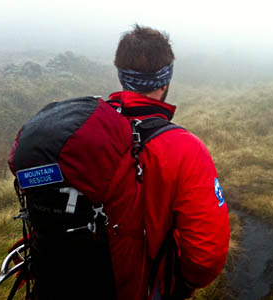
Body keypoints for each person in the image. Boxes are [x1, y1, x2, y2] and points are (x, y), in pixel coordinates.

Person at [108, 25, 230, 299]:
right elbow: (207, 254)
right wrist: (183, 286)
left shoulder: (89, 132)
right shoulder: (185, 148)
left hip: (72, 281)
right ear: (165, 82)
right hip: (146, 287)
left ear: (122, 77)